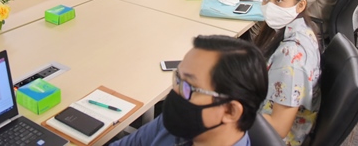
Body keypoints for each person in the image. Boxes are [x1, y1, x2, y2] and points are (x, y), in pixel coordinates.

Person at [111, 35, 268, 146]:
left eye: (189, 87)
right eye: (178, 79)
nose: (176, 92)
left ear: (230, 111)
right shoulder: (175, 124)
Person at [254, 0, 320, 145]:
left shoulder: (291, 60)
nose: (269, 7)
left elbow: (278, 128)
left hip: (273, 138)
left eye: (279, 0)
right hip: (264, 110)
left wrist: (230, 108)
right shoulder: (301, 28)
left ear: (300, 5)